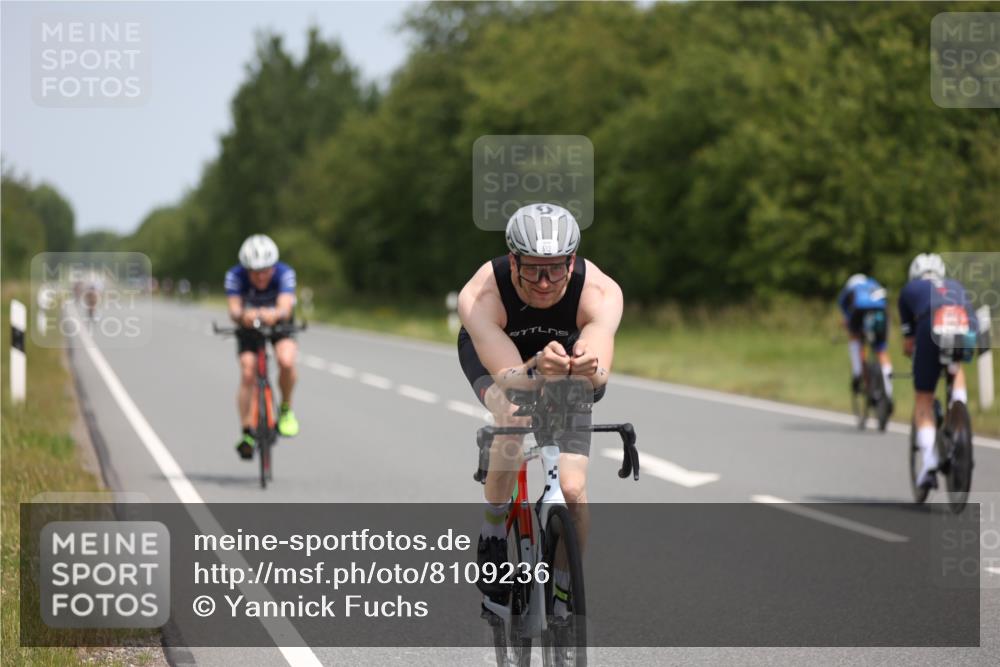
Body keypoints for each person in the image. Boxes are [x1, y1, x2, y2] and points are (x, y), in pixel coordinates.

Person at [457, 203, 623, 614]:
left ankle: (564, 584)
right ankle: (494, 530)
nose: (545, 282)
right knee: (512, 414)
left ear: (572, 261)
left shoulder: (600, 291)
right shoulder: (481, 294)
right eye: (532, 268)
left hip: (563, 364)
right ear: (513, 260)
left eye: (555, 268)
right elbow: (511, 377)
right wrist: (534, 368)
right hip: (500, 360)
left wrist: (587, 368)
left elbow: (599, 375)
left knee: (572, 488)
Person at [898, 253, 978, 490]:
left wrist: (919, 360)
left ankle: (929, 463)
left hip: (930, 322)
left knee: (923, 397)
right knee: (956, 366)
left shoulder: (909, 289)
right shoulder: (955, 285)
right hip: (964, 323)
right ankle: (960, 415)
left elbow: (908, 343)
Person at [224, 234, 300, 459]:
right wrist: (243, 315)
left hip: (278, 321)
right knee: (248, 370)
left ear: (273, 267)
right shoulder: (234, 275)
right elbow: (234, 309)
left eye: (265, 271)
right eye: (254, 272)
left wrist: (273, 314)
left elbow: (285, 307)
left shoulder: (285, 273)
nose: (260, 277)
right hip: (248, 324)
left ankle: (285, 410)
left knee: (286, 360)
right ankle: (247, 431)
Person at [837, 273, 893, 407]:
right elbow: (885, 303)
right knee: (881, 349)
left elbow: (843, 307)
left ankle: (857, 373)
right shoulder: (873, 284)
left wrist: (847, 322)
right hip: (880, 313)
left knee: (855, 337)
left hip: (859, 312)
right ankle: (888, 391)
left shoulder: (851, 288)